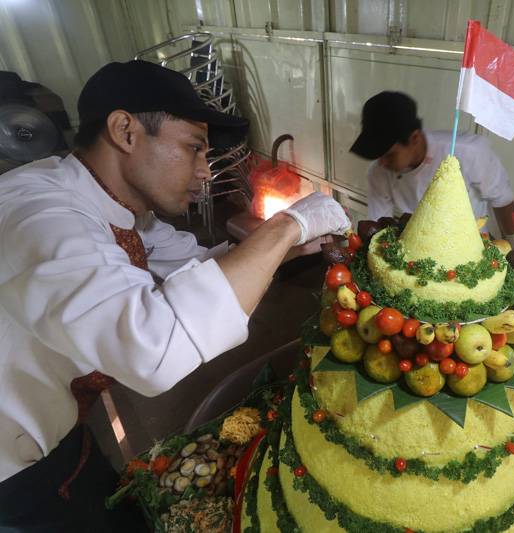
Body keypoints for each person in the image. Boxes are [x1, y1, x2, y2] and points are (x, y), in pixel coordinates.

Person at [0, 60, 349, 531]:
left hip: (62, 424)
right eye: (193, 148)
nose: (205, 172)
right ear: (125, 131)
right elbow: (151, 349)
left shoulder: (122, 208)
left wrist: (283, 249)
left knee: (115, 507)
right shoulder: (41, 213)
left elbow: (196, 266)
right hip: (12, 467)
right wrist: (288, 224)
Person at [350, 91, 514, 246]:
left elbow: (502, 198)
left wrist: (513, 241)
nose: (382, 162)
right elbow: (379, 221)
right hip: (416, 247)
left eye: (389, 155)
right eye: (378, 155)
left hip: (471, 245)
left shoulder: (469, 152)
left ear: (414, 138)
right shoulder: (378, 172)